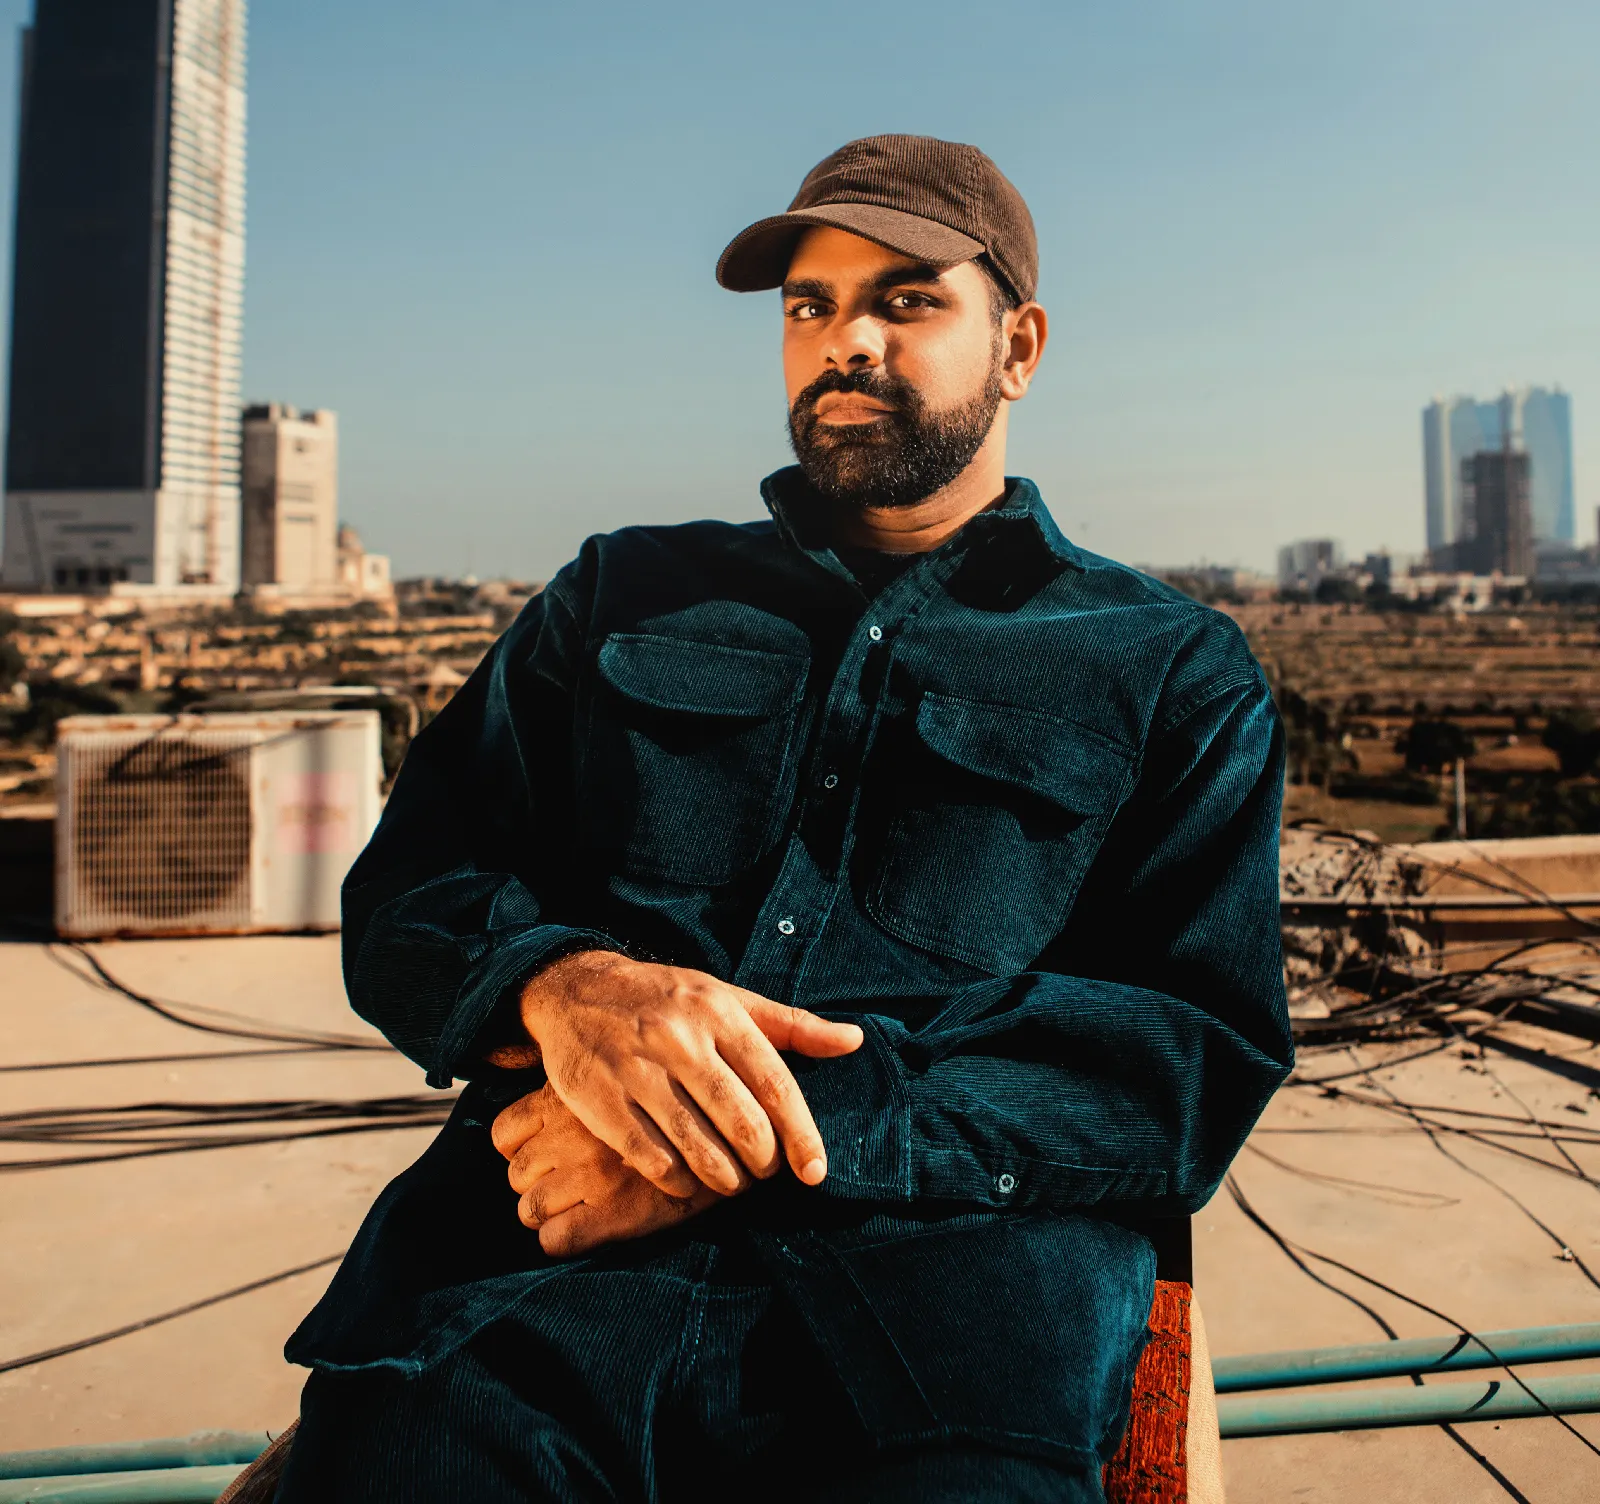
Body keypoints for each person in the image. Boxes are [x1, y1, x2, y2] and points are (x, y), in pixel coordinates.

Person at [276, 134, 1291, 1503]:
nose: (843, 341)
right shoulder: (620, 595)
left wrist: (754, 1125)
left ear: (1021, 345)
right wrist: (564, 989)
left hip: (944, 1338)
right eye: (808, 304)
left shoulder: (1168, 667)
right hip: (526, 1292)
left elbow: (1181, 1057)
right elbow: (413, 891)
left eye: (906, 300)